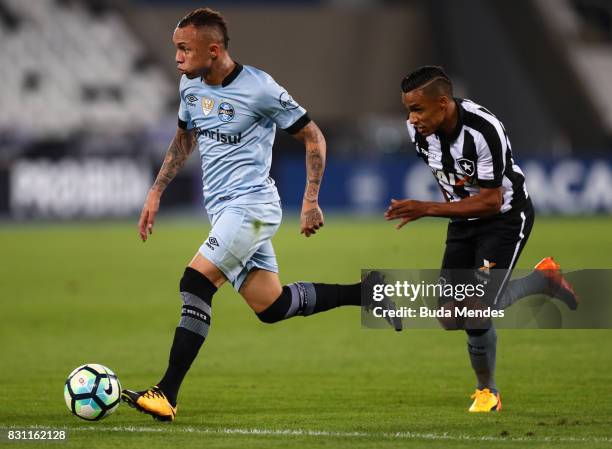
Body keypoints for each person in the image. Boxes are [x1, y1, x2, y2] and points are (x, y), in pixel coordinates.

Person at [121, 8, 399, 422]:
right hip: (223, 212)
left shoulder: (260, 88)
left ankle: (167, 392)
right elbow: (183, 140)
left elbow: (313, 136)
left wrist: (310, 199)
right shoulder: (189, 87)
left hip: (252, 207)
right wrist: (156, 191)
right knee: (272, 306)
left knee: (195, 281)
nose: (177, 57)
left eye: (184, 48)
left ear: (213, 51)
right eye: (175, 48)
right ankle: (367, 292)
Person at [385, 66, 578, 412]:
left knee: (476, 310)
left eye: (417, 110)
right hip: (463, 222)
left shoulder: (484, 130)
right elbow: (449, 179)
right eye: (408, 111)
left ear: (442, 103)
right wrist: (444, 209)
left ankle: (487, 392)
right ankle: (543, 280)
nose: (411, 119)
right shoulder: (419, 132)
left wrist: (427, 209)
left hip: (503, 219)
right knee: (448, 317)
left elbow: (491, 200)